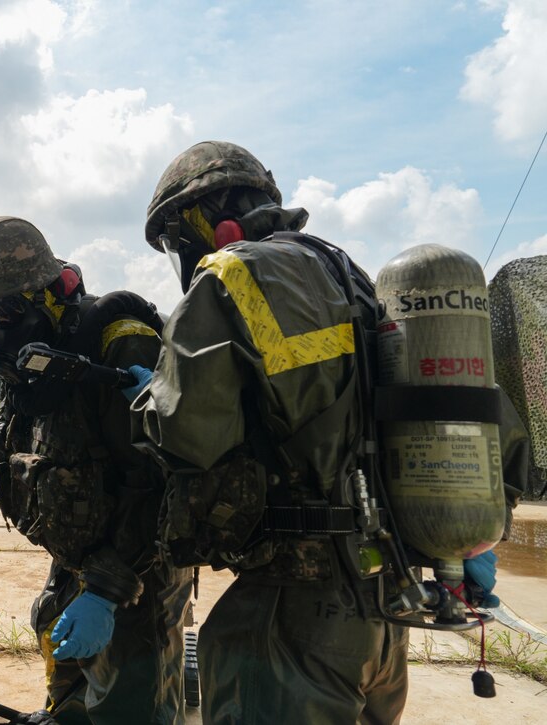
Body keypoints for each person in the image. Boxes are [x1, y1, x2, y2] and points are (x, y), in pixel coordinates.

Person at [128, 140, 528, 723]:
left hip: (291, 616)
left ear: (202, 217)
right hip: (382, 607)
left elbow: (186, 433)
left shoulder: (231, 273)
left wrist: (142, 394)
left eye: (173, 238)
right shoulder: (356, 278)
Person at [0, 216, 192, 724]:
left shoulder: (119, 341)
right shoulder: (27, 350)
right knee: (67, 690)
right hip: (78, 556)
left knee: (129, 704)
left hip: (137, 570)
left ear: (38, 295)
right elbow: (11, 421)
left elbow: (160, 485)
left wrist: (107, 591)